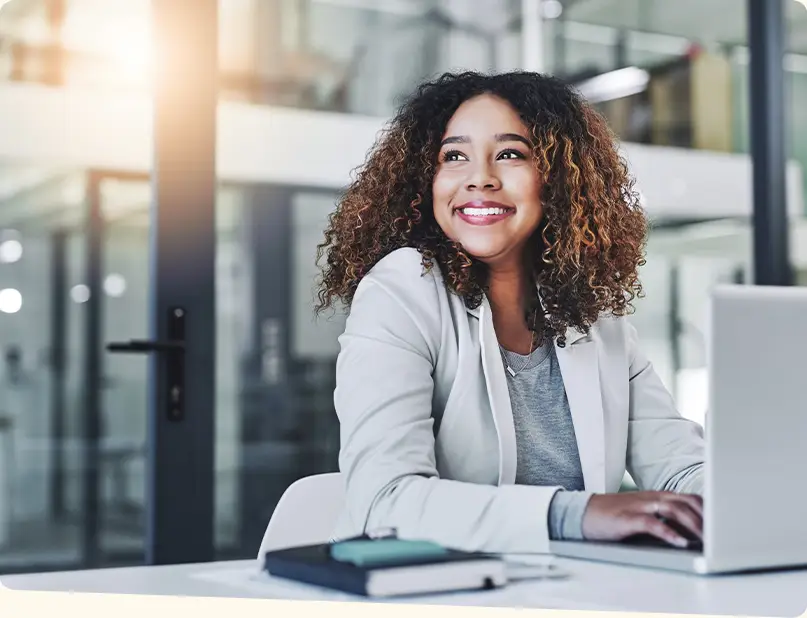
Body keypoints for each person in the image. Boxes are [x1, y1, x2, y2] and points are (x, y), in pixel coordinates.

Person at [315, 71, 705, 555]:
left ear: (557, 179)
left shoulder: (592, 311)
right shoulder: (401, 289)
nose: (480, 176)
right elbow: (384, 502)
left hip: (569, 588)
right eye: (453, 156)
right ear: (425, 179)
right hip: (431, 592)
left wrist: (741, 499)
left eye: (510, 154)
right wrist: (577, 514)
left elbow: (679, 465)